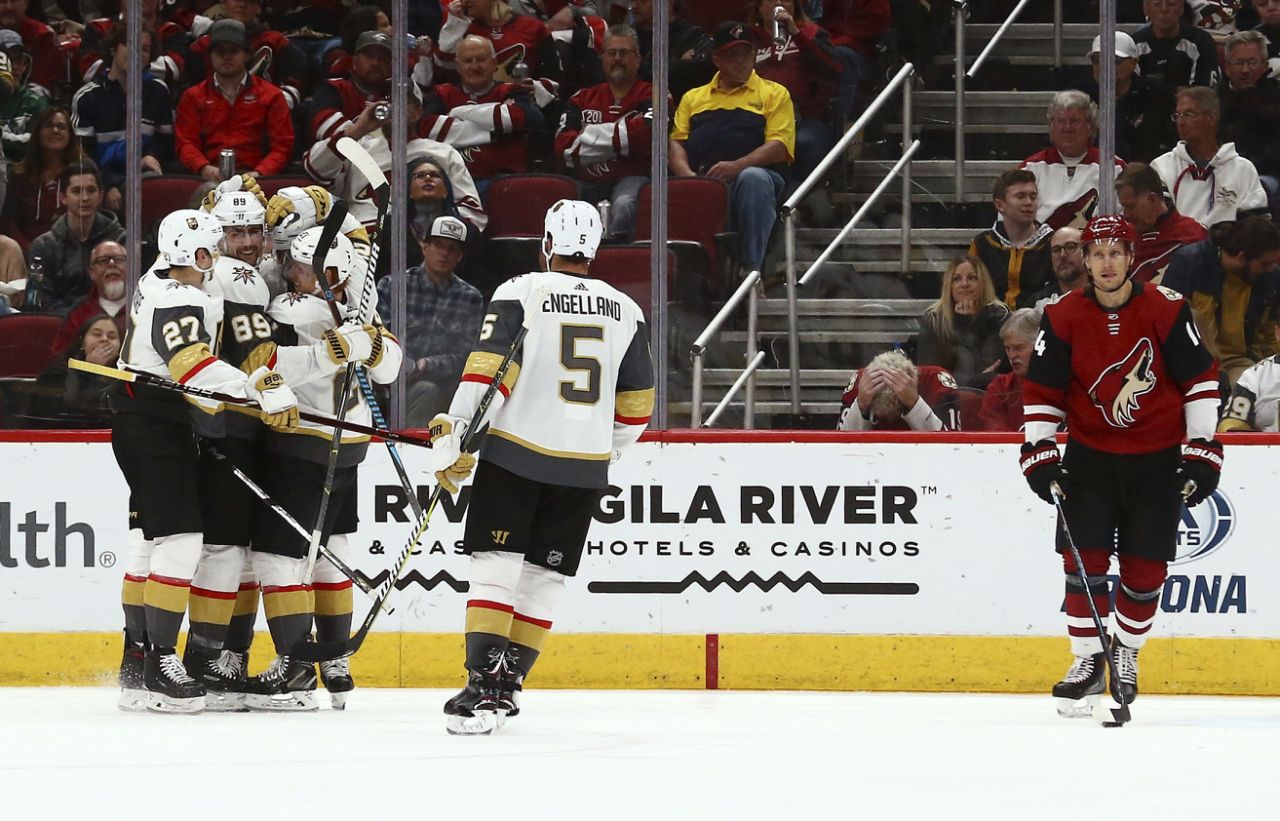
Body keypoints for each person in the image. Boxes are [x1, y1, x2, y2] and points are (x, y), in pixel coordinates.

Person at [430, 199, 653, 735]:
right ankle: (507, 686)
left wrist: (456, 431)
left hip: (516, 455)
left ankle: (482, 687)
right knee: (545, 577)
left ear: (547, 243)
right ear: (594, 248)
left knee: (495, 567)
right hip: (584, 467)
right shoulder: (627, 310)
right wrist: (601, 448)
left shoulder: (522, 291)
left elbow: (490, 374)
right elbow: (637, 406)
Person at [1019, 214, 1222, 718]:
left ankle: (1125, 652)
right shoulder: (1062, 314)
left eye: (1116, 252)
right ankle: (1089, 660)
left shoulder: (1167, 308)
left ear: (1131, 258)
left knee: (1146, 568)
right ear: (1085, 261)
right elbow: (1043, 390)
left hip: (1157, 461)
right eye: (1097, 253)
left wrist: (1202, 447)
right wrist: (1040, 451)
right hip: (1090, 459)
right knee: (1081, 561)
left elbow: (1199, 381)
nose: (1106, 262)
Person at [111, 208, 300, 714]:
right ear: (192, 254)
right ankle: (160, 666)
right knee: (180, 541)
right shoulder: (180, 297)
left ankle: (138, 664)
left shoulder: (156, 279)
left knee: (151, 543)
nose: (215, 256)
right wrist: (257, 386)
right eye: (210, 248)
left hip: (143, 416)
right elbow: (190, 366)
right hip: (157, 424)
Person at [244, 226, 401, 711]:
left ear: (330, 272)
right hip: (349, 444)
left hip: (302, 444)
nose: (290, 272)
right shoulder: (361, 311)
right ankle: (336, 664)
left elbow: (263, 360)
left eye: (301, 266)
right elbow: (390, 367)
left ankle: (295, 669)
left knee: (279, 556)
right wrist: (367, 345)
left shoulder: (290, 309)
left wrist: (360, 346)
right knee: (332, 550)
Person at [669, 21, 795, 280]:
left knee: (753, 178)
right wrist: (690, 178)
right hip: (703, 178)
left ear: (754, 54)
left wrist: (738, 166)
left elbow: (779, 146)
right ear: (716, 59)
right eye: (731, 55)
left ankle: (751, 271)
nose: (740, 61)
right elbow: (676, 142)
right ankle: (683, 279)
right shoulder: (693, 97)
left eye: (745, 54)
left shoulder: (775, 93)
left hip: (755, 177)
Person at [378, 215, 484, 426]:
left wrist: (426, 365)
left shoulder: (470, 298)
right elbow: (375, 335)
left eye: (452, 248)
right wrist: (398, 362)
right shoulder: (391, 285)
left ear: (459, 256)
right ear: (424, 247)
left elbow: (465, 357)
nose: (444, 253)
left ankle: (407, 445)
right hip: (384, 377)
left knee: (427, 391)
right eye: (438, 245)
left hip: (435, 384)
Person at [555, 24, 654, 240]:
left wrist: (587, 137)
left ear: (638, 59)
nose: (617, 59)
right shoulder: (581, 98)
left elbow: (646, 135)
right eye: (611, 53)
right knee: (561, 207)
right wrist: (623, 141)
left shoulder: (654, 95)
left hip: (632, 178)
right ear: (602, 58)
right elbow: (563, 147)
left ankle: (619, 256)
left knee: (624, 205)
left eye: (624, 53)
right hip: (586, 181)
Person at [1161, 216, 1280, 385]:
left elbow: (1268, 336)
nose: (1271, 269)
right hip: (1191, 362)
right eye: (1265, 264)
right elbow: (1165, 323)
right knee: (1190, 314)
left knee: (1255, 392)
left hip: (1238, 362)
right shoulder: (1189, 263)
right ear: (1241, 256)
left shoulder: (1270, 278)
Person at [421, 35, 548, 189]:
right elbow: (427, 128)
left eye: (481, 60)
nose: (474, 67)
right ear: (458, 67)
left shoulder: (512, 91)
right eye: (468, 61)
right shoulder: (443, 93)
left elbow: (516, 118)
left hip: (503, 184)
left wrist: (457, 113)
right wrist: (495, 131)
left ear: (494, 63)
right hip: (451, 183)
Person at [174, 19, 295, 182]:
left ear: (247, 54)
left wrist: (259, 174)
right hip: (206, 179)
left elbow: (282, 146)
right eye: (220, 51)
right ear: (210, 56)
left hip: (256, 179)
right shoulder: (192, 96)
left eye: (233, 51)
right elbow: (185, 143)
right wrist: (203, 167)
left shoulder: (272, 96)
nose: (226, 57)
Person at [70, 26, 173, 213]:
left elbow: (165, 141)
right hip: (100, 179)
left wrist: (152, 155)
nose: (137, 54)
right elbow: (82, 154)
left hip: (142, 176)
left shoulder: (158, 91)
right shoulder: (87, 97)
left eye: (145, 49)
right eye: (130, 45)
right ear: (113, 49)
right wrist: (107, 185)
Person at [747, 0, 840, 194]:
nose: (779, 3)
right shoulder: (747, 40)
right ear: (759, 7)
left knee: (802, 144)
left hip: (803, 119)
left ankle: (795, 202)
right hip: (757, 119)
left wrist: (797, 34)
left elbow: (833, 70)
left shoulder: (812, 33)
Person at [1151, 86, 1268, 227]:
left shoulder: (1243, 169)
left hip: (1227, 240)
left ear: (1211, 118)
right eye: (1177, 115)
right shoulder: (1161, 166)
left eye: (1188, 114)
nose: (1180, 122)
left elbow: (1256, 226)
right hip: (1176, 240)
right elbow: (1157, 221)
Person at [26, 158, 125, 315]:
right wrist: (77, 320)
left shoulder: (121, 240)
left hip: (111, 320)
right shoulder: (43, 247)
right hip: (61, 323)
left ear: (100, 197)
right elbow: (44, 300)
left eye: (91, 190)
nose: (85, 198)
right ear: (63, 197)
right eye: (77, 191)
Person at [1021, 90, 1125, 230]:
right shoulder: (1030, 168)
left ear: (1090, 127)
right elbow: (1011, 221)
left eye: (1074, 121)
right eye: (1061, 121)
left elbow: (1126, 219)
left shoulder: (1114, 168)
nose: (1067, 128)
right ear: (1051, 127)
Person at [186, 0, 307, 111]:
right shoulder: (203, 45)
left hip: (266, 115)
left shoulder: (277, 42)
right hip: (212, 115)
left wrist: (269, 106)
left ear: (259, 7)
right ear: (224, 3)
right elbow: (191, 91)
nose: (242, 5)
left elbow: (292, 87)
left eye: (250, 1)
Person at [917, 256, 1010, 390]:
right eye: (957, 279)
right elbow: (930, 373)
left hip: (988, 393)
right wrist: (960, 324)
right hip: (944, 394)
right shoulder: (934, 319)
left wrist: (970, 325)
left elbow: (987, 370)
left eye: (972, 278)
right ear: (949, 286)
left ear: (983, 283)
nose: (964, 284)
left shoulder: (1000, 316)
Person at [1083, 32, 1177, 164]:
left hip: (1148, 170)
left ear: (1134, 63)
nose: (1106, 66)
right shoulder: (1081, 96)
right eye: (1098, 60)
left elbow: (1170, 140)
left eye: (1116, 61)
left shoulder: (1156, 94)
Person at [967, 168, 1054, 309]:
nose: (1029, 202)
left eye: (1033, 197)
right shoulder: (982, 243)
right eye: (1020, 196)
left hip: (1039, 318)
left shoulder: (1053, 242)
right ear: (1000, 205)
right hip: (991, 318)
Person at [0, 106, 80, 254]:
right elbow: (9, 222)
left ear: (70, 135)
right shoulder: (19, 174)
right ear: (38, 133)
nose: (55, 130)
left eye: (61, 127)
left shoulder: (82, 171)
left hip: (72, 251)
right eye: (49, 125)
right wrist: (30, 249)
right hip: (27, 251)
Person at [1216, 30, 1280, 208]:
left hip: (1265, 173)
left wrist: (1244, 169)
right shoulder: (1212, 101)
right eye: (1238, 63)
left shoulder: (1276, 98)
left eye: (1252, 62)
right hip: (1217, 172)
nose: (1245, 70)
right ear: (1227, 67)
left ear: (1265, 64)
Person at [21, 314, 119, 428]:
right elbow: (57, 415)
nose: (104, 339)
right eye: (97, 334)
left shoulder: (127, 376)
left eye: (112, 336)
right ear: (82, 342)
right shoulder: (57, 371)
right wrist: (89, 370)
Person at [1115, 163, 1207, 283]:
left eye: (1131, 206)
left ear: (1153, 199)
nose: (1126, 215)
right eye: (1123, 207)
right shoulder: (1121, 238)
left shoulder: (1194, 237)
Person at [837, 348, 961, 431]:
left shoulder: (936, 381)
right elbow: (838, 447)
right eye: (883, 417)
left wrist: (914, 403)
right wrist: (861, 405)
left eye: (894, 415)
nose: (890, 421)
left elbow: (953, 448)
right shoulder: (861, 382)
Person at [307, 30, 391, 146]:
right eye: (369, 56)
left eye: (383, 58)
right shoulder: (334, 88)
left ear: (390, 66)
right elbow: (325, 128)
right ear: (355, 62)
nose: (375, 63)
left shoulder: (398, 96)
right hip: (338, 156)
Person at [49, 238, 126, 355]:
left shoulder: (146, 307)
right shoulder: (80, 310)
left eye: (119, 259)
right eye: (103, 260)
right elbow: (58, 358)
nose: (112, 264)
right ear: (92, 272)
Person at [629, 0, 712, 105]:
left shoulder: (693, 36)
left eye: (642, 1)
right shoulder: (627, 38)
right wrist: (677, 63)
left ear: (668, 3)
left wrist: (641, 67)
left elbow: (695, 73)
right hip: (632, 107)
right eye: (632, 1)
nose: (634, 6)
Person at [1133, 0, 1221, 88]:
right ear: (1146, 9)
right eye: (1157, 4)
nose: (1164, 9)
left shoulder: (1201, 41)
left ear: (1181, 8)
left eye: (1171, 4)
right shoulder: (1134, 44)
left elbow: (1206, 92)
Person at [978, 308, 1040, 432]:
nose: (1012, 356)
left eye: (1019, 348)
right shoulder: (1000, 387)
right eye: (1008, 348)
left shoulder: (1067, 383)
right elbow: (994, 434)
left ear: (1040, 345)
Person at [0, 28, 51, 162]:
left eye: (19, 60)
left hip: (21, 171)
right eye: (8, 60)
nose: (15, 66)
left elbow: (36, 143)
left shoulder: (35, 101)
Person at [0, 0, 61, 91]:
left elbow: (43, 88)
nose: (9, 7)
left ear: (26, 3)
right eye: (3, 1)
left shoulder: (43, 36)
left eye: (14, 1)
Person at [1026, 227, 1089, 309]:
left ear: (1086, 252)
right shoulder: (1037, 305)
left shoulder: (1103, 294)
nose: (1062, 255)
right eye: (1056, 250)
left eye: (1070, 247)